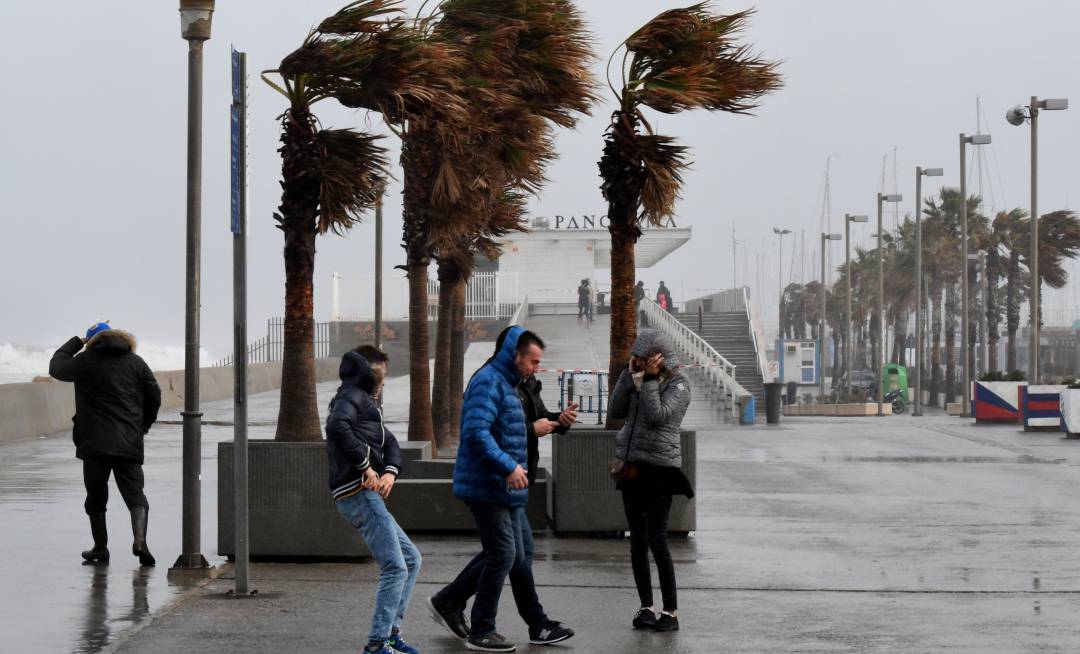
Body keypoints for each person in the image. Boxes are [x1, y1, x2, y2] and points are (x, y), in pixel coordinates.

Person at [429, 328, 577, 647]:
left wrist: (556, 422)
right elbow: (476, 433)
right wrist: (508, 466)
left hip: (507, 486)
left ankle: (454, 602)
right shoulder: (488, 381)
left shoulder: (512, 384)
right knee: (504, 553)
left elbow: (511, 428)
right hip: (488, 484)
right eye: (533, 361)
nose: (537, 368)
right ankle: (482, 629)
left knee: (517, 554)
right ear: (515, 355)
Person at [326, 345, 422, 654]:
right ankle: (378, 643)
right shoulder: (350, 397)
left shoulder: (366, 404)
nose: (384, 378)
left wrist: (390, 472)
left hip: (366, 493)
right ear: (369, 372)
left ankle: (391, 635)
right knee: (395, 566)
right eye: (381, 372)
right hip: (357, 491)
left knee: (410, 559)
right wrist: (366, 466)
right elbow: (336, 427)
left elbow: (390, 442)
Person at [49, 322, 162, 566]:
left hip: (94, 443)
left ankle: (100, 548)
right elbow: (155, 395)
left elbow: (56, 368)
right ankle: (140, 541)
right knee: (135, 495)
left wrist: (76, 342)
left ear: (92, 342)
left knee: (96, 498)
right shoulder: (136, 363)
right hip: (128, 442)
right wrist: (142, 426)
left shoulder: (85, 361)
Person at [607, 329, 694, 633]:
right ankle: (646, 606)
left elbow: (658, 416)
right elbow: (616, 410)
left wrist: (651, 381)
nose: (639, 363)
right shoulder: (638, 379)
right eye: (637, 359)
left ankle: (670, 612)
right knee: (637, 540)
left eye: (644, 359)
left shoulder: (679, 386)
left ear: (659, 358)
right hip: (631, 467)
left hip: (660, 470)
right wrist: (626, 377)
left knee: (657, 539)